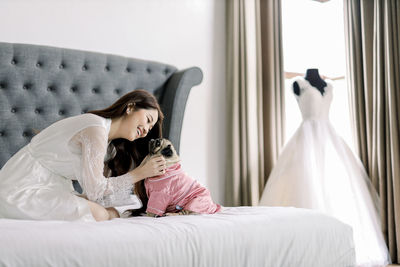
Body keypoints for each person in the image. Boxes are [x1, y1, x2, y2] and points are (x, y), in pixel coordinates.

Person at [259, 69, 391, 266]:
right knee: (306, 185)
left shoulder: (328, 85)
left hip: (330, 140)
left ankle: (341, 247)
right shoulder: (298, 83)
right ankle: (305, 249)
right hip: (305, 140)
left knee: (338, 190)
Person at [0, 89, 166, 222]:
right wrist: (141, 173)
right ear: (130, 107)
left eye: (150, 129)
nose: (146, 130)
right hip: (21, 184)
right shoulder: (95, 128)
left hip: (50, 185)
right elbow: (96, 191)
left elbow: (94, 192)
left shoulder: (109, 148)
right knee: (101, 214)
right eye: (148, 119)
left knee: (105, 211)